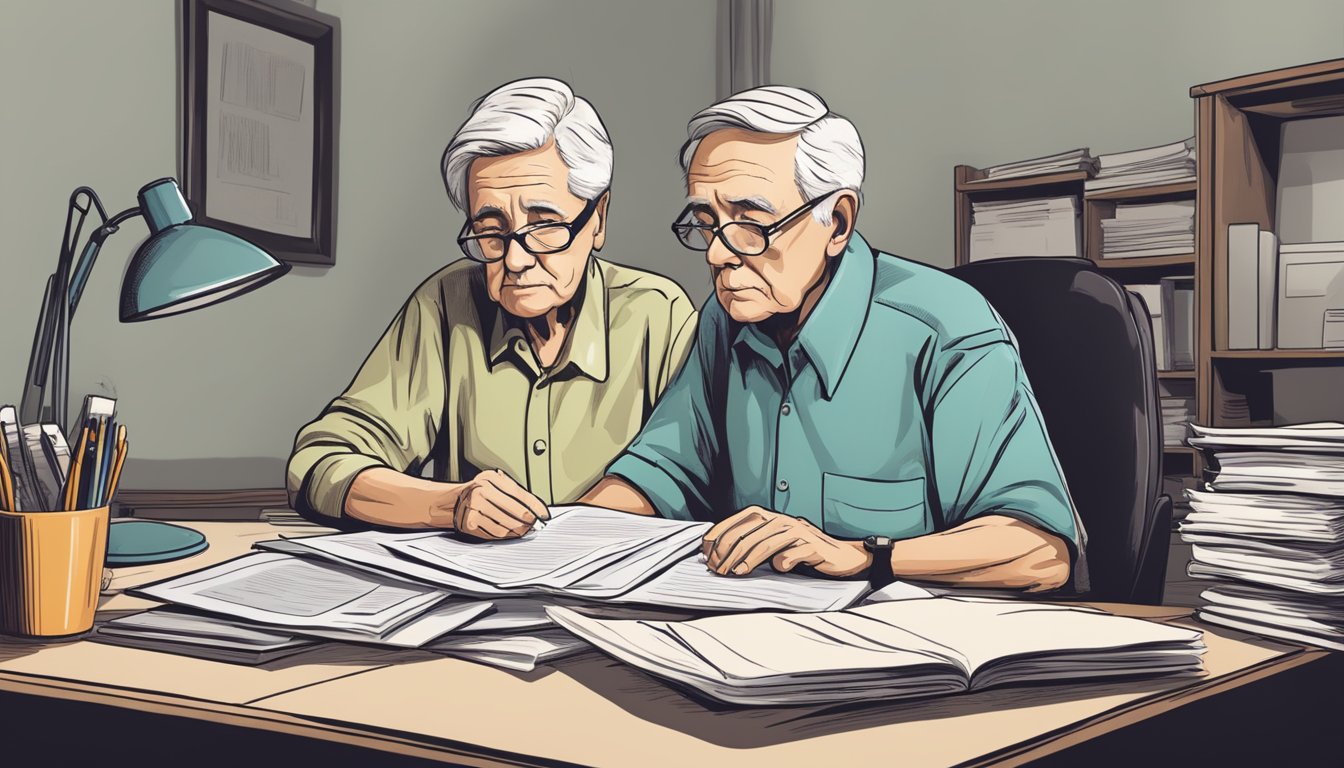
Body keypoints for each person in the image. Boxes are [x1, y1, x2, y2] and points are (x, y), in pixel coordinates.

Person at [582, 85, 1086, 592]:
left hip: (909, 648)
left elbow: (1039, 551)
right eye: (707, 223)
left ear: (837, 222)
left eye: (751, 224)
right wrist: (556, 538)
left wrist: (863, 555)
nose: (717, 255)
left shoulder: (947, 328)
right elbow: (660, 474)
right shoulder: (725, 319)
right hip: (752, 634)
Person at [287, 78, 697, 540]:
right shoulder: (444, 306)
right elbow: (321, 459)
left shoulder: (658, 316)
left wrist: (568, 538)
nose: (516, 259)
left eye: (544, 225)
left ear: (598, 218)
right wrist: (448, 504)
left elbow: (684, 471)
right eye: (491, 229)